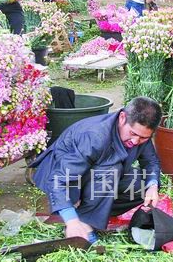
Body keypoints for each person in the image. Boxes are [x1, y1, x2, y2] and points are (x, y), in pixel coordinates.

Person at [30, 96, 162, 241]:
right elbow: (59, 179)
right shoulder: (95, 136)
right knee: (111, 170)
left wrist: (152, 186)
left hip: (98, 176)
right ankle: (80, 221)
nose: (136, 141)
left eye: (143, 138)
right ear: (122, 117)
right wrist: (71, 220)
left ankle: (88, 215)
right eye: (133, 134)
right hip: (63, 176)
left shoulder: (140, 134)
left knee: (144, 185)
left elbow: (151, 162)